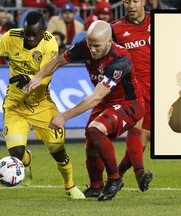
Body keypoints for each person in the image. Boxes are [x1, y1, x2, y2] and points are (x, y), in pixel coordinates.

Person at [0, 11, 85, 200]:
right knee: (16, 153)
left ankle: (69, 186)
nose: (30, 38)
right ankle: (26, 163)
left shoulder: (49, 43)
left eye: (34, 35)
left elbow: (47, 74)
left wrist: (29, 79)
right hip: (15, 105)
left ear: (43, 31)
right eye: (27, 33)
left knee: (58, 151)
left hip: (41, 105)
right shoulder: (12, 36)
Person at [25, 20, 146, 201]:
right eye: (90, 45)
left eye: (97, 46)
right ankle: (96, 186)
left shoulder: (120, 60)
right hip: (106, 101)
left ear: (109, 42)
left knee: (95, 129)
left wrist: (64, 116)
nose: (92, 50)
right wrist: (38, 76)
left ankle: (115, 179)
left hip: (129, 104)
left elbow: (96, 96)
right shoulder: (84, 46)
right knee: (91, 143)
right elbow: (57, 62)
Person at [110, 0, 153, 190]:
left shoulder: (158, 23)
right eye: (127, 1)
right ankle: (140, 173)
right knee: (135, 129)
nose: (131, 5)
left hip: (156, 88)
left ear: (143, 1)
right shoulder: (116, 29)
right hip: (132, 89)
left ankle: (116, 177)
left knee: (143, 140)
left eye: (135, 0)